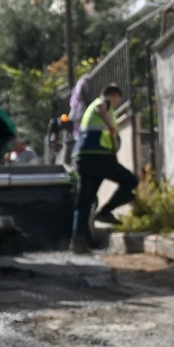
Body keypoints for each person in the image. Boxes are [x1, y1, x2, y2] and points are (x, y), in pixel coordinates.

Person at [71, 83, 138, 249]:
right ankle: (105, 212)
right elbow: (102, 108)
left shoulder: (88, 111)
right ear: (114, 97)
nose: (114, 105)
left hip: (83, 157)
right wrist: (110, 125)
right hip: (98, 157)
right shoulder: (104, 102)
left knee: (84, 202)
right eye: (117, 102)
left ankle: (78, 241)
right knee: (130, 180)